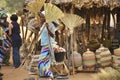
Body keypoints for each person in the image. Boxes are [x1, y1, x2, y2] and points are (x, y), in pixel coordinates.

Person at [38, 11, 59, 79]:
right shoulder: (44, 24)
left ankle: (49, 74)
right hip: (44, 44)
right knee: (46, 62)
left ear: (46, 17)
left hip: (48, 45)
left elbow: (53, 35)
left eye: (42, 17)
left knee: (41, 61)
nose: (41, 18)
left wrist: (47, 28)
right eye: (41, 16)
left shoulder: (50, 25)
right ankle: (48, 75)